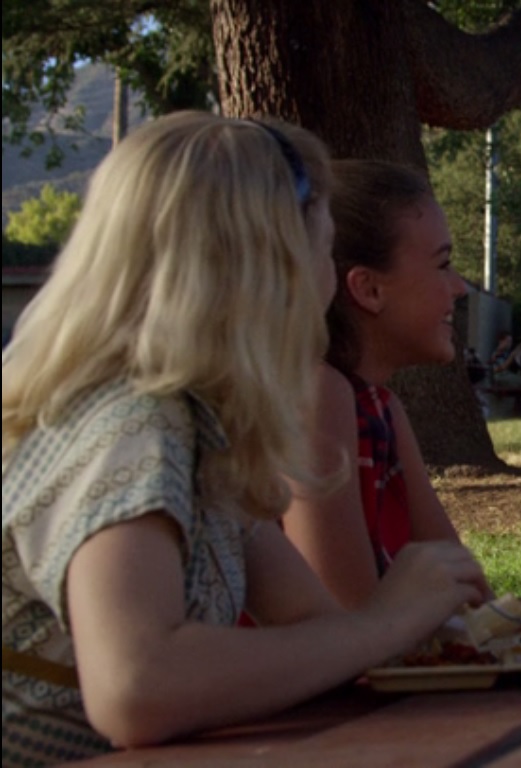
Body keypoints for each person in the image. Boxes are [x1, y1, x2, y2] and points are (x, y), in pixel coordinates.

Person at [1, 113, 486, 766]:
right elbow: (135, 686)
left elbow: (315, 630)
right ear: (270, 267)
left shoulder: (205, 432)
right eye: (323, 250)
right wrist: (385, 623)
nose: (329, 281)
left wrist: (382, 628)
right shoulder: (129, 423)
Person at [286, 159, 521, 626]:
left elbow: (472, 610)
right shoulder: (317, 397)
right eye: (443, 264)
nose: (459, 288)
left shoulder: (380, 408)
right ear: (368, 289)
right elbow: (355, 636)